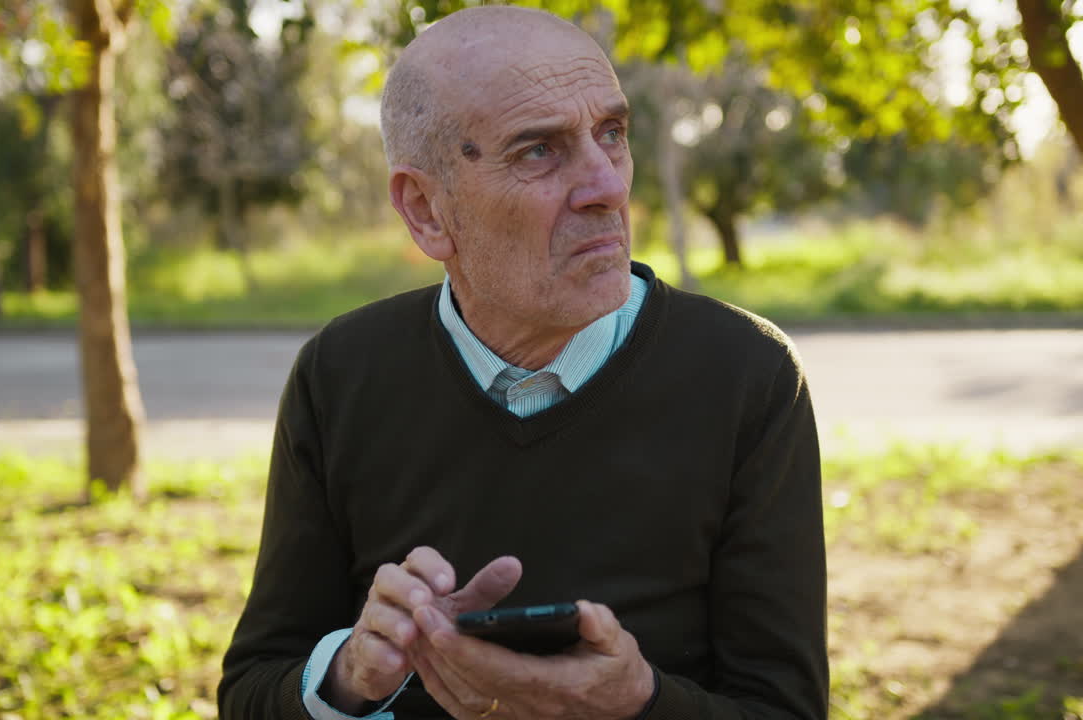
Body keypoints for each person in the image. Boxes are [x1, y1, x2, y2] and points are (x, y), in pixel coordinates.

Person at [218, 6, 827, 720]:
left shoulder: (747, 375)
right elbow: (253, 691)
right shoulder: (342, 374)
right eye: (539, 151)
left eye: (612, 134)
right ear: (426, 211)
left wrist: (639, 704)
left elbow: (785, 709)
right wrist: (349, 676)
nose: (606, 187)